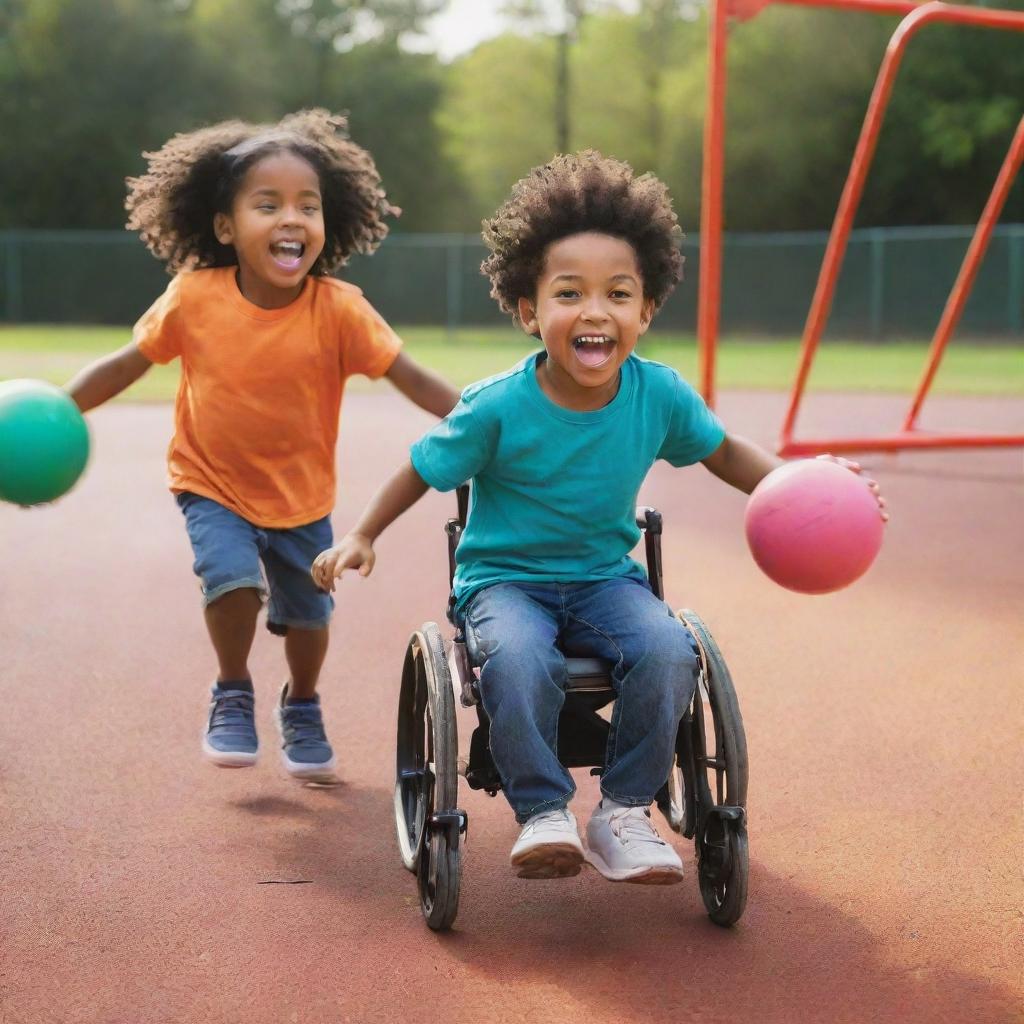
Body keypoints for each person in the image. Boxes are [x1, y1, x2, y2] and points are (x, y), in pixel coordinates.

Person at [312, 151, 886, 880]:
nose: (595, 311)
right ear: (529, 310)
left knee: (668, 649)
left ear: (645, 310)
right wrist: (362, 533)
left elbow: (728, 455)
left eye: (618, 294)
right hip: (503, 582)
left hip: (603, 579)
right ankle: (544, 810)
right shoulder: (496, 406)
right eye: (569, 293)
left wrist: (810, 485)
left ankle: (623, 812)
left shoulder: (659, 395)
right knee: (518, 657)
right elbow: (422, 468)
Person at [65, 109, 460, 783]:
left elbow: (412, 375)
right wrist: (61, 407)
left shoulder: (340, 309)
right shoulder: (193, 297)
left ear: (325, 226)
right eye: (268, 204)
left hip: (303, 497)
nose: (292, 218)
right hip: (209, 481)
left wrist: (484, 422)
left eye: (308, 206)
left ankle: (301, 702)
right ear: (226, 227)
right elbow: (130, 361)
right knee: (232, 580)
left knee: (310, 615)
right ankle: (232, 688)